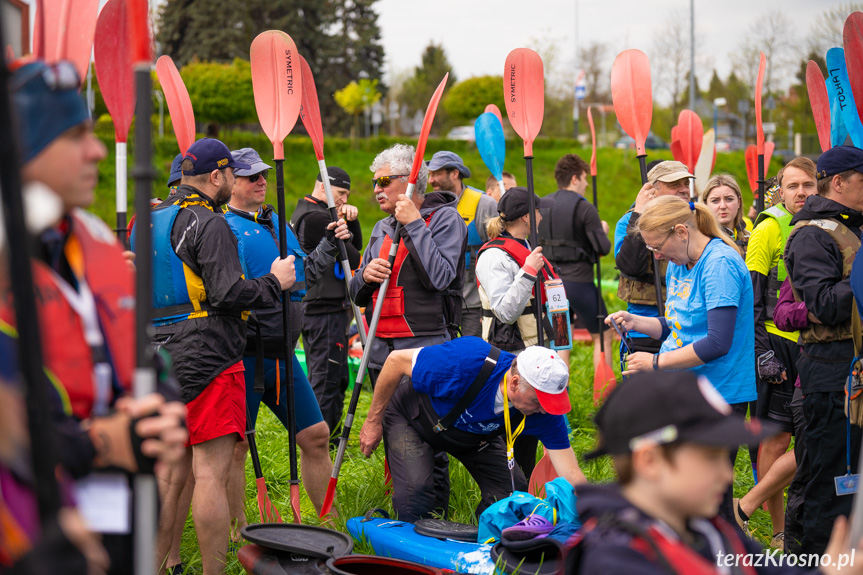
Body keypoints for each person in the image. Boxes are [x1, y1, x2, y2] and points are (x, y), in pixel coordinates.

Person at [5, 59, 189, 575]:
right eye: (74, 136)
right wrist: (97, 443)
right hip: (35, 534)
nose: (97, 151)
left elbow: (147, 352)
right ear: (22, 146)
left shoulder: (98, 244)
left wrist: (164, 404)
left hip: (120, 519)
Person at [146, 138, 296, 575]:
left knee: (169, 478)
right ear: (217, 176)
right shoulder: (208, 223)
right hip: (210, 359)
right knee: (209, 473)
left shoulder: (147, 220)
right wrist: (274, 282)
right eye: (232, 173)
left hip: (158, 360)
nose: (234, 180)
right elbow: (229, 293)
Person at [574, 370, 863, 575]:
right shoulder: (615, 559)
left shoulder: (710, 530)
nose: (728, 476)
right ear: (650, 461)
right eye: (711, 458)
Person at [606, 195, 755, 525]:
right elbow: (677, 324)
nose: (656, 256)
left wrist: (655, 364)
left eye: (658, 246)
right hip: (686, 387)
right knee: (680, 489)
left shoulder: (719, 265)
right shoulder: (678, 262)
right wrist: (637, 322)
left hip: (720, 391)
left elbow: (717, 341)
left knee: (708, 495)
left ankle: (725, 556)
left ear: (681, 232)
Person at [350, 143, 467, 518]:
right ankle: (411, 513)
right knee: (400, 444)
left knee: (430, 445)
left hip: (425, 351)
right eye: (374, 182)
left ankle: (436, 520)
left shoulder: (446, 220)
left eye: (384, 181)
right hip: (381, 354)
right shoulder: (382, 227)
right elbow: (356, 293)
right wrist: (365, 277)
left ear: (409, 181)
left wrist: (415, 223)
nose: (376, 190)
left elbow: (441, 278)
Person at [222, 147, 334, 527]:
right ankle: (236, 533)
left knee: (317, 436)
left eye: (263, 174)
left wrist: (331, 244)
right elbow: (226, 293)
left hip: (284, 354)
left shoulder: (277, 223)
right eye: (250, 175)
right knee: (235, 449)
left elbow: (306, 276)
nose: (261, 180)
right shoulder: (221, 227)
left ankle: (328, 528)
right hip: (244, 355)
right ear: (227, 181)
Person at [358, 337, 586, 522]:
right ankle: (412, 555)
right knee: (417, 495)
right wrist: (373, 421)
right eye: (539, 402)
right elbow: (395, 361)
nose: (545, 411)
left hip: (475, 436)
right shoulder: (467, 361)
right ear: (514, 383)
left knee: (510, 494)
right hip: (415, 418)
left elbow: (571, 473)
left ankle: (485, 540)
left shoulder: (543, 411)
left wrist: (597, 512)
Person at [783, 146, 863, 555]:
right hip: (830, 377)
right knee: (831, 484)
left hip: (853, 371)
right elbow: (826, 304)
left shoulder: (853, 226)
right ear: (839, 182)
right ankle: (812, 561)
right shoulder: (813, 233)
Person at [740, 157, 817, 550]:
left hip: (816, 344)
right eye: (793, 186)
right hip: (777, 344)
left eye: (808, 185)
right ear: (780, 190)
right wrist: (761, 352)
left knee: (810, 438)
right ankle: (777, 528)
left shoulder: (827, 223)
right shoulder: (768, 228)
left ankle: (768, 515)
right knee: (775, 441)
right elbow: (752, 300)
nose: (801, 192)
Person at [476, 187, 557, 479]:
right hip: (509, 357)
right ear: (526, 217)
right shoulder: (494, 256)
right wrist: (528, 272)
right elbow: (504, 312)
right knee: (513, 434)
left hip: (534, 354)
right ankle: (510, 492)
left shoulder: (525, 247)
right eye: (536, 212)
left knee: (532, 430)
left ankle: (528, 489)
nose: (540, 217)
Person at [291, 166, 362, 438]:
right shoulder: (318, 218)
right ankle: (323, 446)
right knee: (327, 380)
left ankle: (324, 442)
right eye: (341, 194)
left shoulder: (304, 212)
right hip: (325, 311)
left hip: (320, 309)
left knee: (333, 377)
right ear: (324, 187)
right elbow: (354, 258)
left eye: (346, 195)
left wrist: (349, 222)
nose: (344, 200)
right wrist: (349, 223)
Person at [539, 153, 613, 368]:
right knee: (603, 336)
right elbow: (603, 248)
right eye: (584, 178)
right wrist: (603, 230)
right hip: (580, 285)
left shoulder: (542, 205)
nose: (587, 183)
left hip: (553, 286)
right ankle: (604, 393)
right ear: (574, 179)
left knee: (561, 341)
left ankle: (563, 393)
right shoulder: (585, 207)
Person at [614, 160, 693, 353]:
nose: (684, 189)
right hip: (643, 330)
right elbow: (631, 267)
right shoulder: (629, 221)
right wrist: (641, 215)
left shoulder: (696, 220)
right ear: (652, 190)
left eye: (686, 184)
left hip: (688, 328)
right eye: (675, 185)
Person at [426, 150, 497, 338]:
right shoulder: (429, 206)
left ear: (455, 174)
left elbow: (497, 255)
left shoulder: (484, 204)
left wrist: (490, 305)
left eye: (436, 174)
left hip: (472, 305)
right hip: (438, 305)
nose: (430, 180)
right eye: (429, 174)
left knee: (470, 360)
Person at [701, 173, 750, 256]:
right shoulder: (698, 240)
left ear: (739, 202)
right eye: (715, 201)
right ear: (706, 205)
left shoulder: (752, 239)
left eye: (729, 199)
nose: (723, 206)